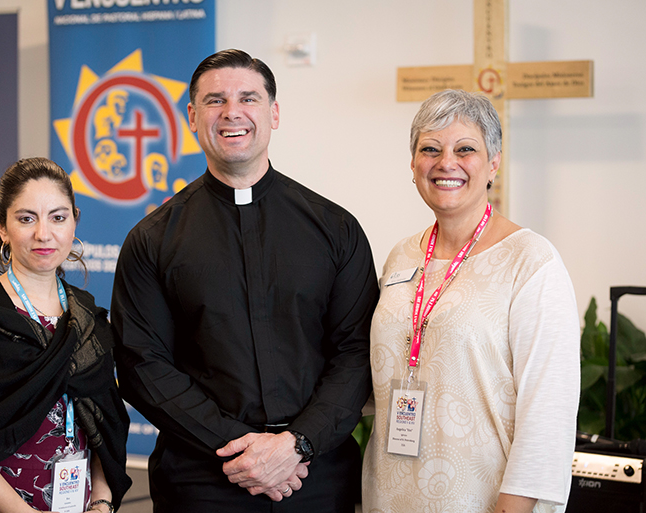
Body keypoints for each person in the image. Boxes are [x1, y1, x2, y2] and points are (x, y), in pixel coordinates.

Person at [111, 49, 379, 512]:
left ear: (273, 113)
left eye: (248, 98)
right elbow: (142, 365)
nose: (232, 111)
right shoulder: (151, 239)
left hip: (315, 477)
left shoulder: (336, 229)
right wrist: (246, 450)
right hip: (203, 477)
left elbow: (357, 352)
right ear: (193, 117)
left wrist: (297, 445)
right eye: (215, 101)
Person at [361, 90, 580, 513]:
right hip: (388, 493)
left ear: (493, 163)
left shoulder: (531, 261)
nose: (447, 162)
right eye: (430, 149)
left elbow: (548, 412)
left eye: (466, 149)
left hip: (483, 500)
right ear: (412, 164)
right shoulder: (402, 255)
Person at [0, 157, 132, 513]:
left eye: (58, 217)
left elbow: (106, 426)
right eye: (26, 218)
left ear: (74, 219)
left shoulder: (87, 317)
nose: (43, 233)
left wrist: (102, 501)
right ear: (1, 226)